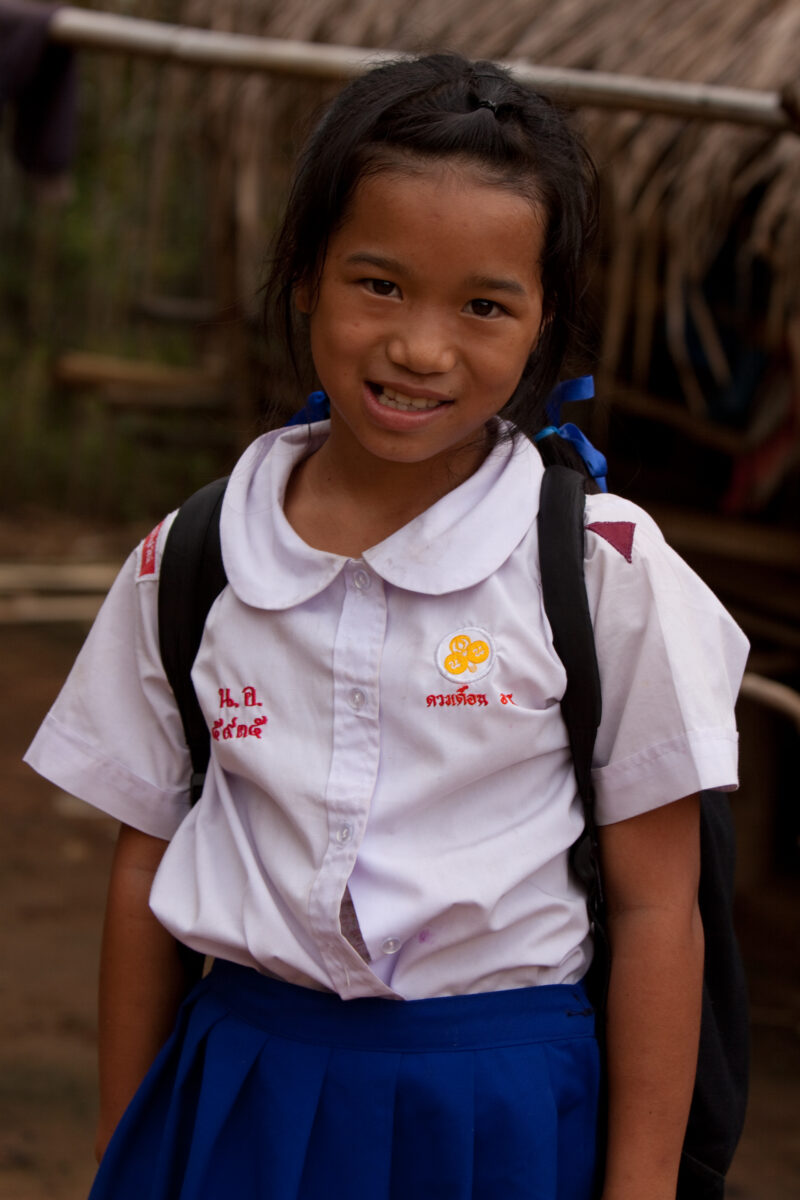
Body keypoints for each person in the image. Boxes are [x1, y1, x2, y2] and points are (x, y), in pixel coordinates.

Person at [25, 52, 748, 1200]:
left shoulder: (601, 567)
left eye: (482, 304)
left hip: (504, 1111)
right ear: (305, 274)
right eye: (379, 284)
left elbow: (660, 905)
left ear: (542, 320)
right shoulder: (192, 559)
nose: (420, 347)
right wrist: (134, 1148)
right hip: (244, 1092)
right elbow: (143, 867)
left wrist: (639, 1189)